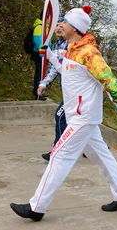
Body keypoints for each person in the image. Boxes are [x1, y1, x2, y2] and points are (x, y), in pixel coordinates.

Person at [11, 6, 117, 222]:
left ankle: (36, 207)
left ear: (76, 28)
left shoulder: (89, 53)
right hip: (79, 117)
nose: (61, 25)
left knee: (59, 156)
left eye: (65, 22)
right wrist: (50, 55)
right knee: (101, 156)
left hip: (82, 118)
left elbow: (110, 82)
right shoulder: (72, 49)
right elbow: (67, 69)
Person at [37, 18, 68, 161]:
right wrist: (44, 83)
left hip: (77, 92)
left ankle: (58, 152)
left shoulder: (73, 45)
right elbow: (54, 68)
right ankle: (89, 148)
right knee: (82, 122)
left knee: (60, 116)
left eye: (62, 25)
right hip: (67, 91)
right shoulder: (56, 45)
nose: (58, 28)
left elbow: (65, 67)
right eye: (56, 25)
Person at [30, 14, 46, 100]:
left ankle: (39, 91)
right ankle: (38, 93)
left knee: (41, 73)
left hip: (43, 53)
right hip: (39, 54)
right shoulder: (39, 27)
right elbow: (38, 41)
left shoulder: (44, 27)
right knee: (39, 73)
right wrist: (42, 52)